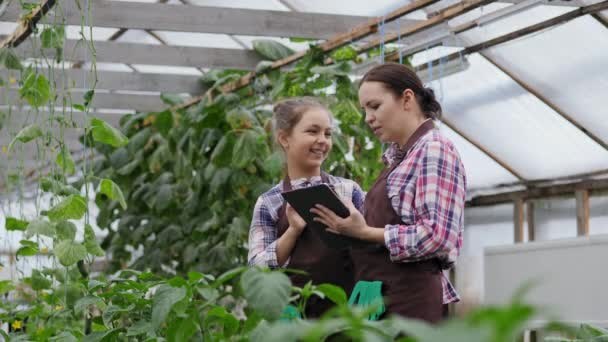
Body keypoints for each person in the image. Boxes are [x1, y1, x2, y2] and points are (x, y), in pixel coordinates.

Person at [312, 63, 467, 323]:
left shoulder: (434, 149)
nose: (368, 118)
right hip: (381, 301)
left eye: (375, 106)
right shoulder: (399, 157)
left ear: (407, 99)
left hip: (411, 305)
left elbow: (437, 236)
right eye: (365, 110)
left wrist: (365, 233)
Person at [247, 97, 365, 318]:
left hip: (347, 315)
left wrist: (357, 231)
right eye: (312, 131)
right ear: (284, 138)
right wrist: (292, 232)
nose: (323, 140)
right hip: (293, 318)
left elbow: (372, 251)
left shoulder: (349, 191)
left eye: (328, 134)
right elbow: (257, 270)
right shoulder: (269, 201)